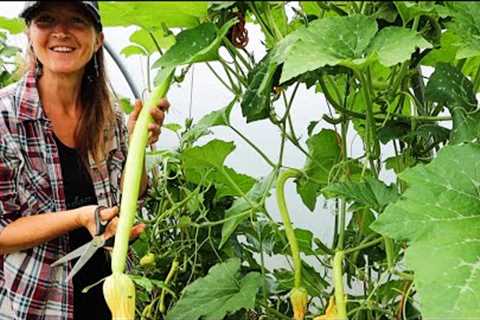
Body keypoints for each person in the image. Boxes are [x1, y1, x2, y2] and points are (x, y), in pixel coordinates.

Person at [0, 2, 169, 319]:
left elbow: (130, 196)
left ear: (98, 39)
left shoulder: (109, 114)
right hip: (38, 304)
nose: (61, 32)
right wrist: (81, 217)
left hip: (111, 297)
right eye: (46, 20)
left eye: (77, 21)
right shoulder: (4, 117)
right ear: (29, 34)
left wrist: (137, 146)